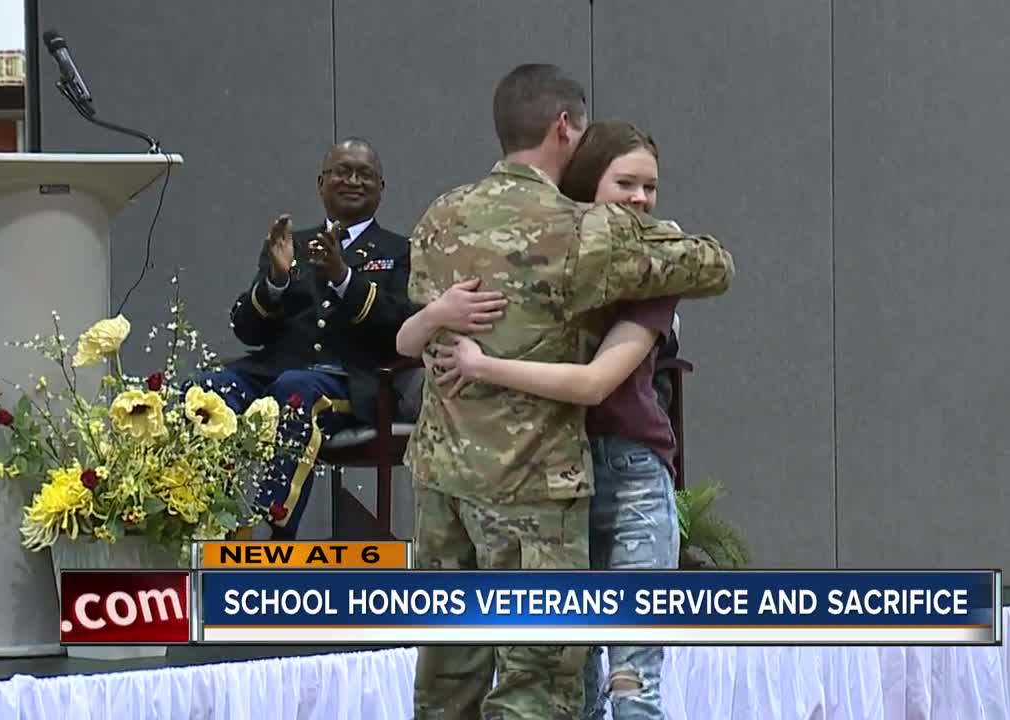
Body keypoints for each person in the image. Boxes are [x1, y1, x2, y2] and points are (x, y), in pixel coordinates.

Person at [401, 64, 734, 720]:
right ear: (565, 127)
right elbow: (715, 265)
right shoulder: (584, 230)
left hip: (441, 478)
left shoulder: (440, 214)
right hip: (532, 490)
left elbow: (420, 327)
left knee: (447, 678)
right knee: (538, 685)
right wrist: (646, 229)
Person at [201, 137, 420, 540]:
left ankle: (270, 532)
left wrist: (344, 279)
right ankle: (205, 521)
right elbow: (248, 330)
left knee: (296, 390)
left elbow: (403, 329)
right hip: (273, 371)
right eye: (342, 171)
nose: (353, 180)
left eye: (365, 174)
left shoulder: (401, 251)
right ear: (321, 183)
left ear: (381, 189)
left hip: (348, 382)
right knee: (204, 392)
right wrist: (277, 281)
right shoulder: (290, 243)